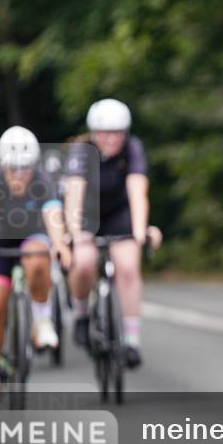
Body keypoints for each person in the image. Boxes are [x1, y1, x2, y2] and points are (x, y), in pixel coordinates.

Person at [0, 126, 72, 396]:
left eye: (25, 168)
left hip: (32, 236)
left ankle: (42, 319)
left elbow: (53, 214)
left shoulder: (43, 179)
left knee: (37, 259)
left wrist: (59, 243)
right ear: (3, 165)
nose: (19, 175)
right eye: (13, 169)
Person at [64, 98, 162, 369]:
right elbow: (74, 193)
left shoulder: (133, 149)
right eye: (105, 133)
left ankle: (131, 340)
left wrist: (140, 231)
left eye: (118, 132)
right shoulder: (82, 151)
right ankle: (81, 313)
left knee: (128, 267)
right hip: (87, 213)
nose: (111, 139)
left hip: (119, 213)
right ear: (94, 133)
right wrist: (73, 231)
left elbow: (138, 192)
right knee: (83, 262)